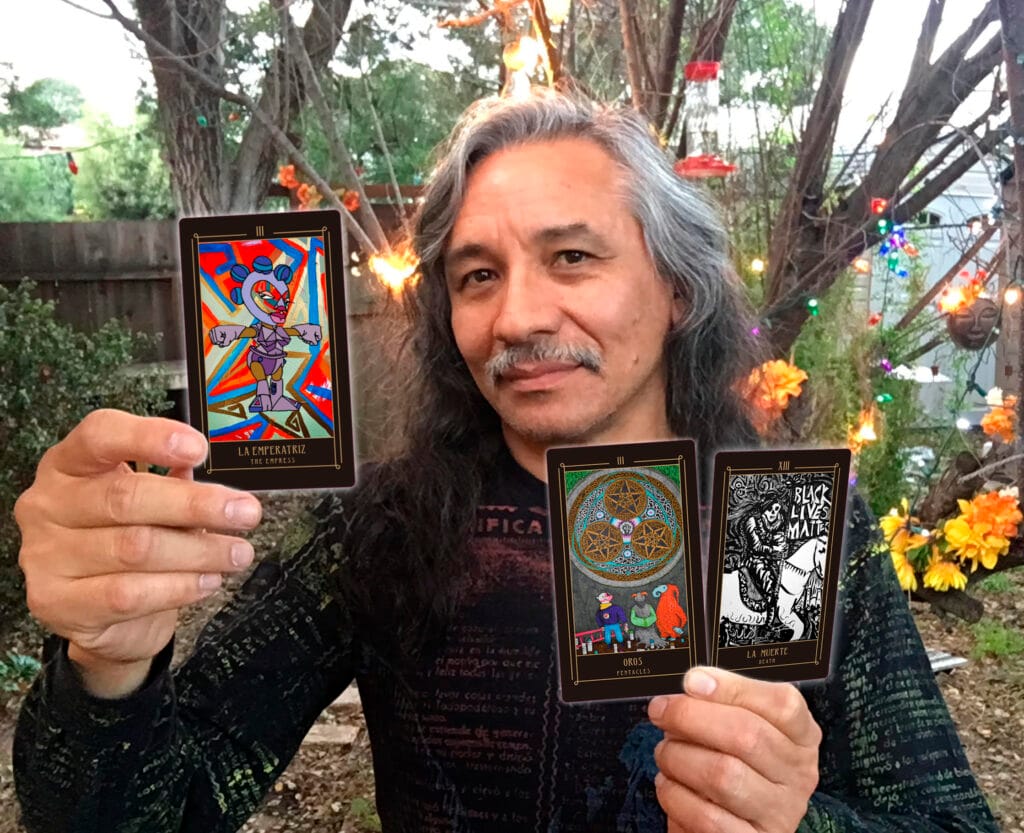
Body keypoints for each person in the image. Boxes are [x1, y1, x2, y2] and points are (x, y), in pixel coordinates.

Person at [12, 89, 997, 833]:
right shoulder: (382, 528)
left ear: (677, 289)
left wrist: (796, 820)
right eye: (478, 275)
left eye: (573, 257)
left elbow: (945, 818)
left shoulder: (781, 523)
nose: (517, 316)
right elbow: (153, 810)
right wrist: (107, 666)